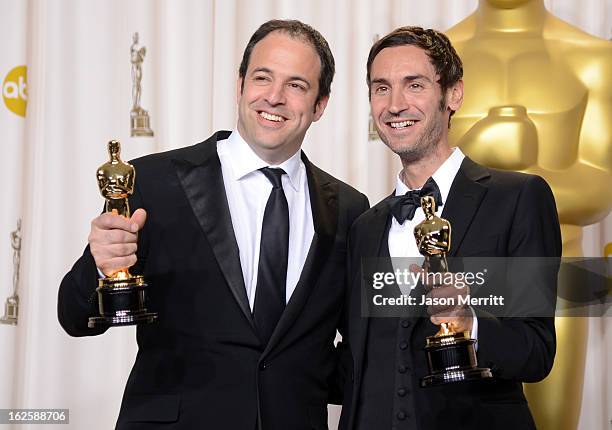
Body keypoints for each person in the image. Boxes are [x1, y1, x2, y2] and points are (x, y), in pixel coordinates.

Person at [58, 19, 369, 430]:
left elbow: (355, 354)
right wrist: (100, 267)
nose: (274, 97)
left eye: (296, 85)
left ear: (320, 104)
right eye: (262, 77)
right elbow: (75, 317)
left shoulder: (348, 208)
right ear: (240, 84)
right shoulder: (153, 183)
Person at [339, 26, 561, 430]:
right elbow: (358, 360)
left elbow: (537, 352)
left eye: (414, 85)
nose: (395, 104)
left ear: (453, 94)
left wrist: (471, 322)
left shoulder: (518, 198)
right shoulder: (364, 227)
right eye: (381, 88)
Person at [445, 2, 612, 427]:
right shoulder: (432, 55)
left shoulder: (593, 57)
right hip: (451, 277)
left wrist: (502, 172)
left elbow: (600, 186)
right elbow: (415, 173)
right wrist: (485, 151)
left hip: (556, 277)